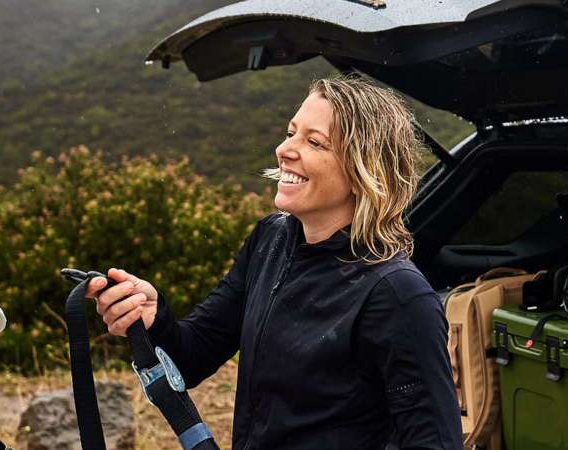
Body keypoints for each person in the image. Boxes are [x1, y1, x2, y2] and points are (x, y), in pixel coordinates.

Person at [86, 75, 463, 450]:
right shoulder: (271, 241)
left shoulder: (396, 294)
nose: (284, 150)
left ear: (364, 170)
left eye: (314, 142)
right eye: (290, 133)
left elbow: (435, 442)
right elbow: (193, 355)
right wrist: (154, 317)